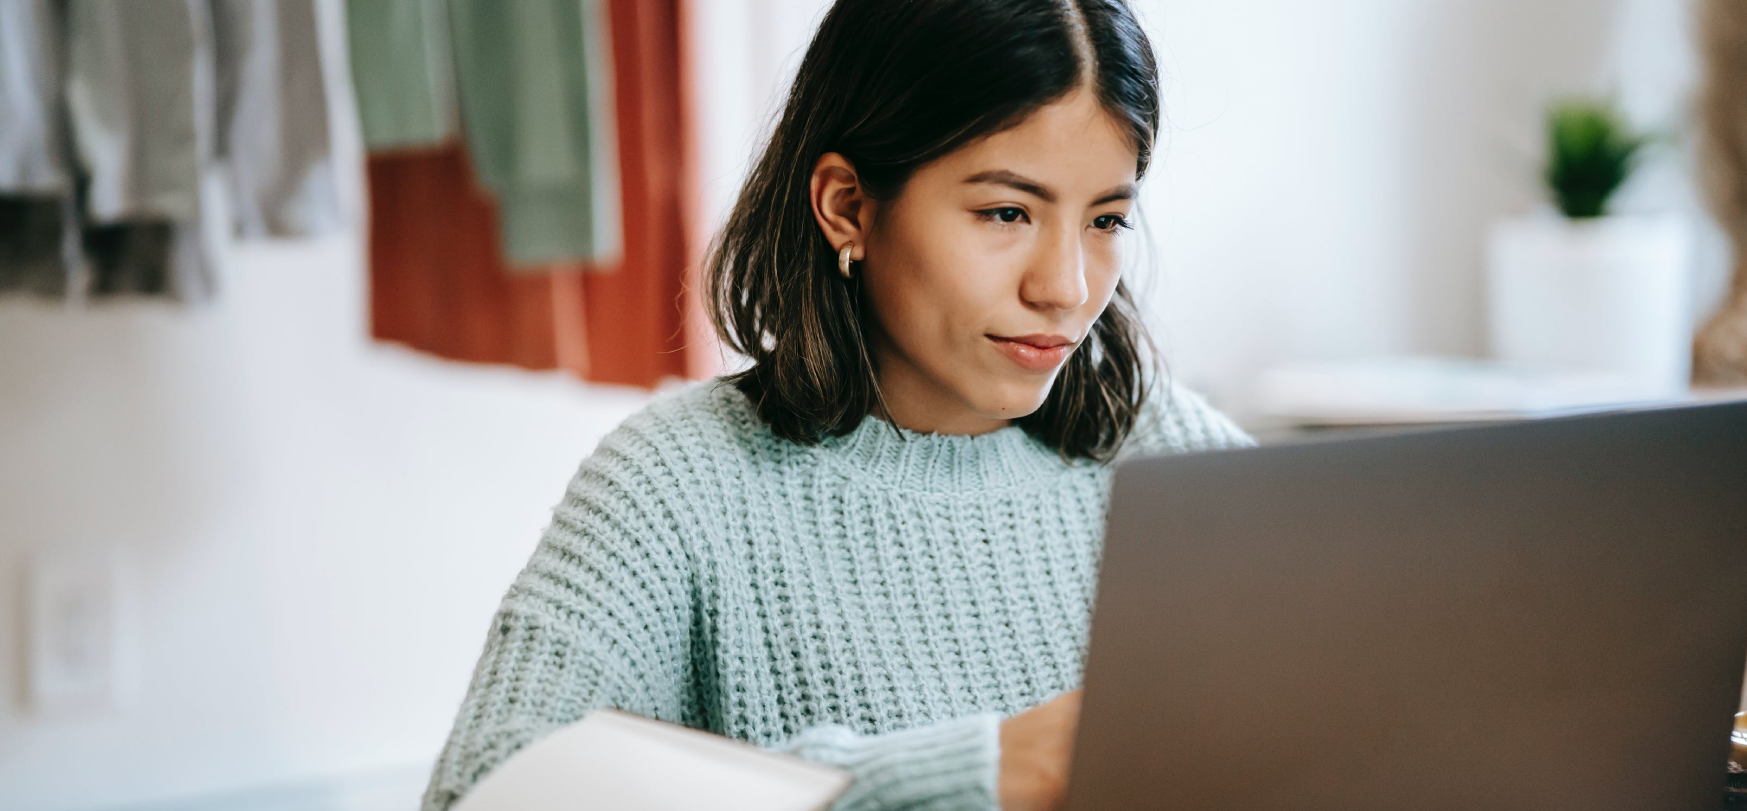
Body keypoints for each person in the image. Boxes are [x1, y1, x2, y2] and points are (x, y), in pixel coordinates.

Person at [420, 1, 1253, 810]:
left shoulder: (1164, 448)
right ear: (847, 205)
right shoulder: (678, 484)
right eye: (1007, 212)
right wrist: (966, 775)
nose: (1067, 287)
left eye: (1107, 219)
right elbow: (483, 792)